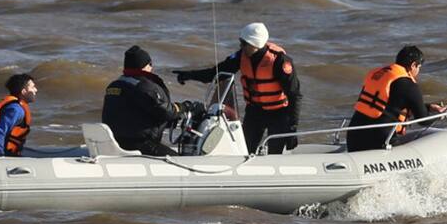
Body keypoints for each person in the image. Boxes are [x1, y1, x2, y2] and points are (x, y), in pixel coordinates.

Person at [175, 22, 300, 154]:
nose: (241, 46)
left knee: (275, 153)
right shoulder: (241, 56)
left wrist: (292, 129)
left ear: (255, 44)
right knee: (244, 150)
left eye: (244, 43)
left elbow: (295, 95)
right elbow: (215, 73)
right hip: (255, 112)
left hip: (278, 113)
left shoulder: (280, 61)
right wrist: (188, 75)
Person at [346, 45, 447, 152]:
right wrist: (439, 115)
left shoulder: (377, 74)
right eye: (419, 67)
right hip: (379, 141)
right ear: (413, 65)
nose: (418, 71)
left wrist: (429, 107)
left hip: (354, 138)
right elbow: (423, 121)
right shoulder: (409, 85)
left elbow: (391, 104)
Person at [102, 45, 187, 156]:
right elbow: (166, 112)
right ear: (144, 65)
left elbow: (134, 113)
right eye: (150, 64)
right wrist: (184, 107)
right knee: (177, 160)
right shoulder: (143, 86)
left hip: (117, 140)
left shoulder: (115, 84)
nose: (151, 68)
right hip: (138, 143)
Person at [0, 73, 38, 156]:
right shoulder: (15, 109)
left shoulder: (15, 107)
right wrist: (0, 156)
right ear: (24, 91)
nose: (36, 90)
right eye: (33, 87)